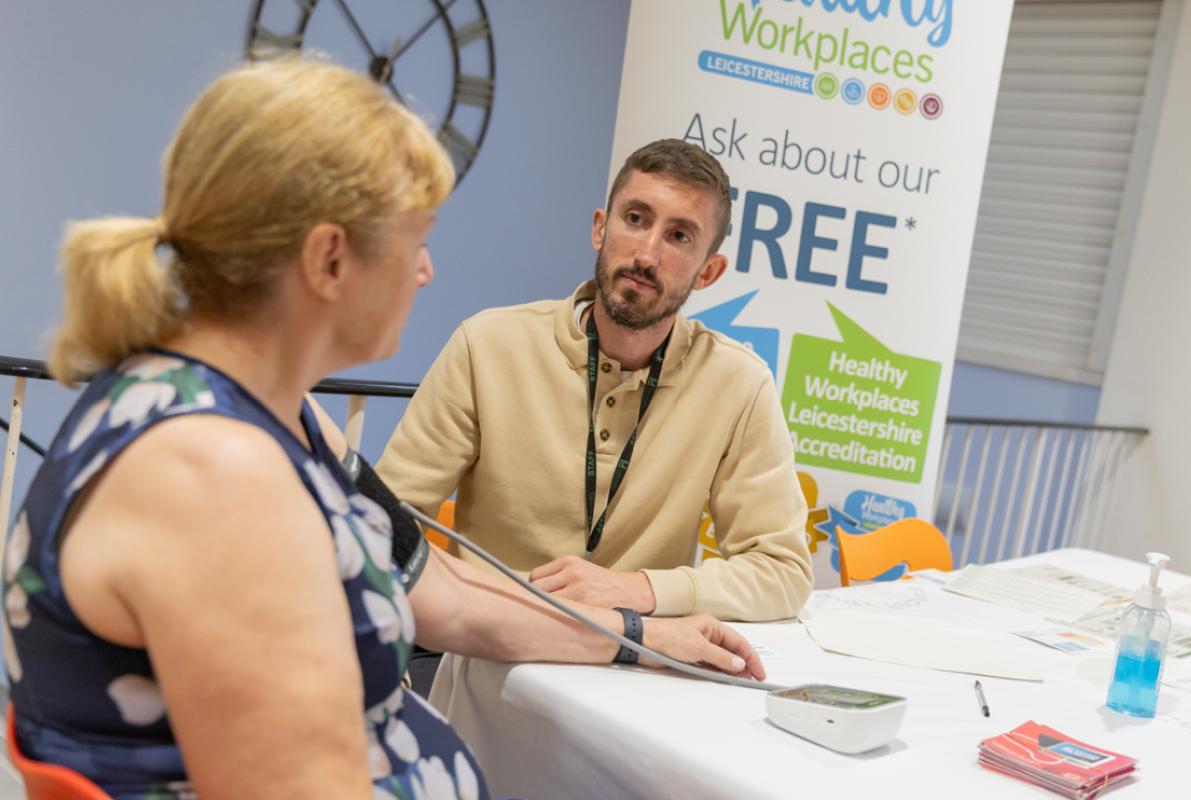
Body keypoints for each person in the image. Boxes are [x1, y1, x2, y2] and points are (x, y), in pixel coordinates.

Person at [0, 60, 765, 800]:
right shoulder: (211, 473)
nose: (426, 270)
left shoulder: (284, 419)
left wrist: (641, 633)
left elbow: (452, 601)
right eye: (415, 239)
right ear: (330, 259)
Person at [376, 139, 812, 624]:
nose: (647, 253)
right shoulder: (487, 345)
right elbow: (384, 522)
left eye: (680, 236)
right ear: (601, 229)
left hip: (642, 664)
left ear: (708, 272)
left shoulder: (739, 384)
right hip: (491, 650)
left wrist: (639, 589)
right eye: (636, 219)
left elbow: (783, 573)